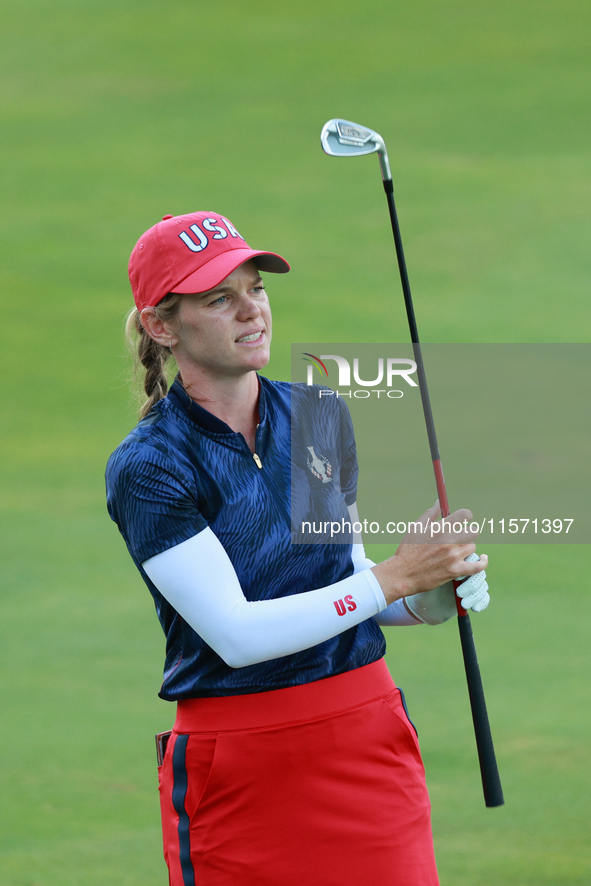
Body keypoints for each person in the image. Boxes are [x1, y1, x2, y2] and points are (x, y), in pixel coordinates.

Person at [106, 210, 490, 886]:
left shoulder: (315, 416)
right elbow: (237, 635)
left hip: (367, 742)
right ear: (162, 326)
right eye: (218, 298)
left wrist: (431, 592)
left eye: (255, 288)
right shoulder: (151, 466)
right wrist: (395, 579)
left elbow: (345, 584)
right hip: (243, 768)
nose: (250, 311)